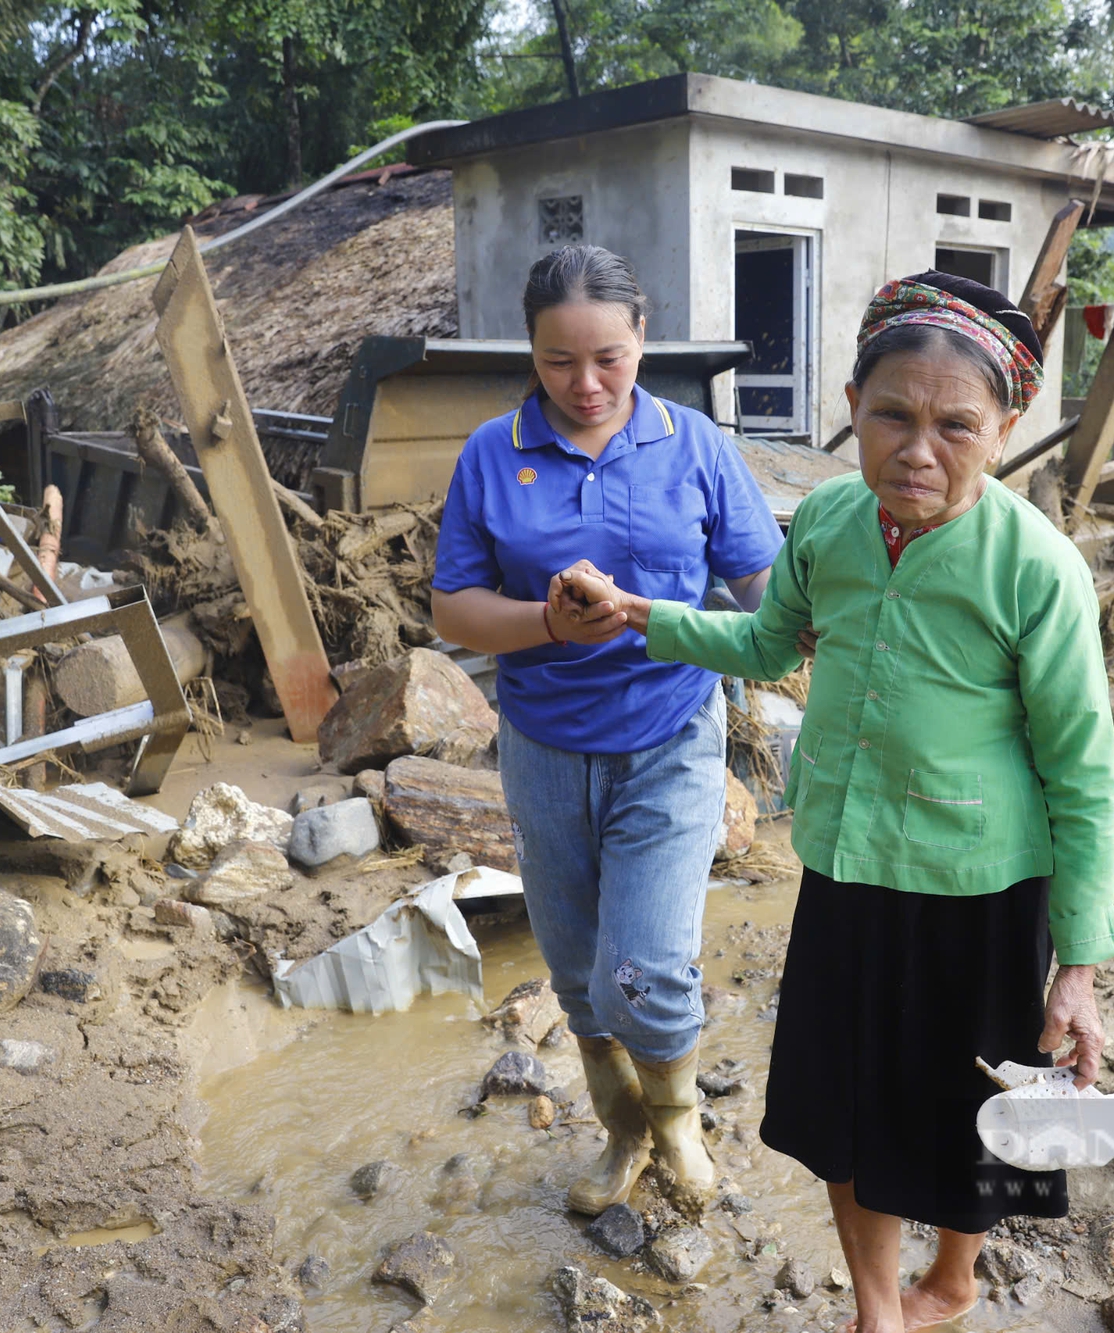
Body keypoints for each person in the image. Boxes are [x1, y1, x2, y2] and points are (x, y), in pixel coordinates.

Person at [556, 271, 1114, 1332]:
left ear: (1002, 430)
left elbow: (1081, 775)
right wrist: (643, 613)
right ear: (852, 412)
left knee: (981, 1109)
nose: (918, 450)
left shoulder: (1035, 569)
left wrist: (1080, 967)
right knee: (844, 1105)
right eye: (890, 417)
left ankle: (951, 1280)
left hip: (986, 885)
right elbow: (768, 645)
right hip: (847, 866)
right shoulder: (825, 521)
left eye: (955, 425)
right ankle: (877, 1308)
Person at [430, 245, 783, 1216]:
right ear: (530, 353)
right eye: (557, 362)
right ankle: (621, 1125)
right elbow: (453, 610)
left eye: (609, 359)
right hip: (542, 747)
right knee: (580, 968)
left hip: (668, 735)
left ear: (642, 341)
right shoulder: (490, 456)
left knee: (649, 965)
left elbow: (766, 589)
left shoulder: (696, 446)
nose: (585, 385)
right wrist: (546, 622)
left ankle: (675, 1124)